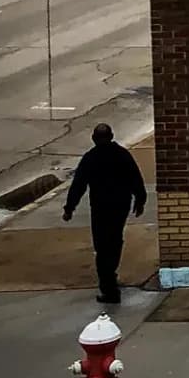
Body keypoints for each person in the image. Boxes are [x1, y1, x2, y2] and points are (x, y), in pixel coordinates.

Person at [63, 123, 147, 303]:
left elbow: (78, 185)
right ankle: (111, 276)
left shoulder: (90, 158)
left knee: (102, 245)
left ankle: (108, 287)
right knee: (115, 240)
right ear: (112, 136)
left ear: (94, 138)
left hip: (101, 207)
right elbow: (136, 178)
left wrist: (69, 208)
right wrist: (140, 200)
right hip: (121, 205)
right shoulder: (122, 155)